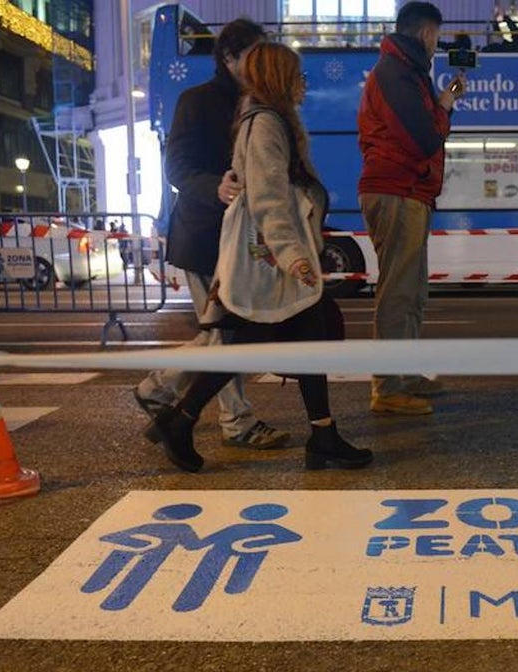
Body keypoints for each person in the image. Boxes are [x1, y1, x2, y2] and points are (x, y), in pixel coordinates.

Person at [143, 42, 372, 474]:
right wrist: (293, 258)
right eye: (297, 76)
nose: (304, 85)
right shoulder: (267, 124)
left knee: (286, 337)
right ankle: (183, 419)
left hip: (262, 260)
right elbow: (268, 201)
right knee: (277, 338)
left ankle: (318, 435)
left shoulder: (262, 120)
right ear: (279, 80)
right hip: (267, 262)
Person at [132, 19, 288, 450]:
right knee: (224, 333)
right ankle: (236, 422)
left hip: (243, 238)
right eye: (251, 56)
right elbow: (177, 167)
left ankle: (158, 388)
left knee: (225, 332)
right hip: (203, 236)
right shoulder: (196, 101)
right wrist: (214, 186)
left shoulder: (260, 103)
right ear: (229, 58)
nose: (260, 64)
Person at [358, 1, 464, 416]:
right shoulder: (395, 74)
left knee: (413, 289)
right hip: (397, 188)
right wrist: (445, 106)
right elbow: (424, 139)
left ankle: (402, 374)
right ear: (425, 33)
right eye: (436, 36)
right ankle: (387, 387)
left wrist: (440, 101)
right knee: (399, 290)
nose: (438, 44)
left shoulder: (407, 73)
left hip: (410, 190)